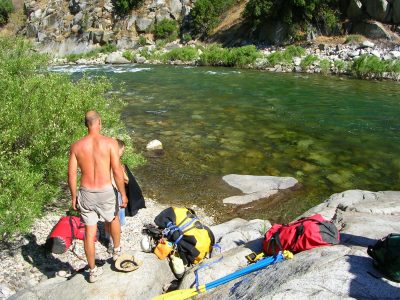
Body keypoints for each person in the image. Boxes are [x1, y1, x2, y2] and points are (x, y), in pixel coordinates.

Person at [68, 110, 128, 283]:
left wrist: (73, 197)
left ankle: (92, 271)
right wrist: (123, 194)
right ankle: (116, 251)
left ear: (86, 124)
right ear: (99, 122)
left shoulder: (77, 146)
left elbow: (71, 175)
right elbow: (117, 171)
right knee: (114, 218)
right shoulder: (110, 143)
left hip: (86, 192)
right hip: (106, 191)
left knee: (89, 231)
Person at [104, 139, 128, 252]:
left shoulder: (104, 159)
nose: (122, 152)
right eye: (122, 150)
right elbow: (125, 179)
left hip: (104, 191)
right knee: (115, 218)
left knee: (107, 218)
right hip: (114, 191)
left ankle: (107, 237)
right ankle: (114, 244)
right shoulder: (116, 161)